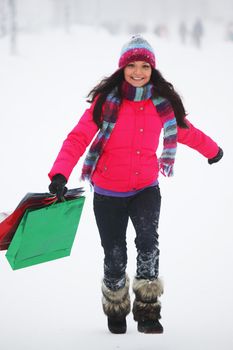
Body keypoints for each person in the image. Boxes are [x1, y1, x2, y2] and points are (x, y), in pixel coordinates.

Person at [48, 35, 223, 334]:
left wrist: (213, 150)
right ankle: (116, 306)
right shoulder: (105, 103)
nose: (138, 71)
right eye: (132, 65)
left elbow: (187, 132)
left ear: (153, 69)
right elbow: (77, 138)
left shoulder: (162, 106)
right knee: (114, 253)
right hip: (107, 193)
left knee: (148, 245)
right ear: (122, 67)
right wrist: (60, 174)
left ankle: (147, 310)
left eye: (145, 65)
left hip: (145, 189)